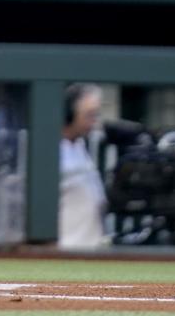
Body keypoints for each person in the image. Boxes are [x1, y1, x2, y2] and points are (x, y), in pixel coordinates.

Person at [59, 82, 107, 249]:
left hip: (89, 246)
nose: (94, 121)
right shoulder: (53, 150)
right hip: (66, 247)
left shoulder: (79, 145)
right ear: (70, 114)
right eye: (89, 115)